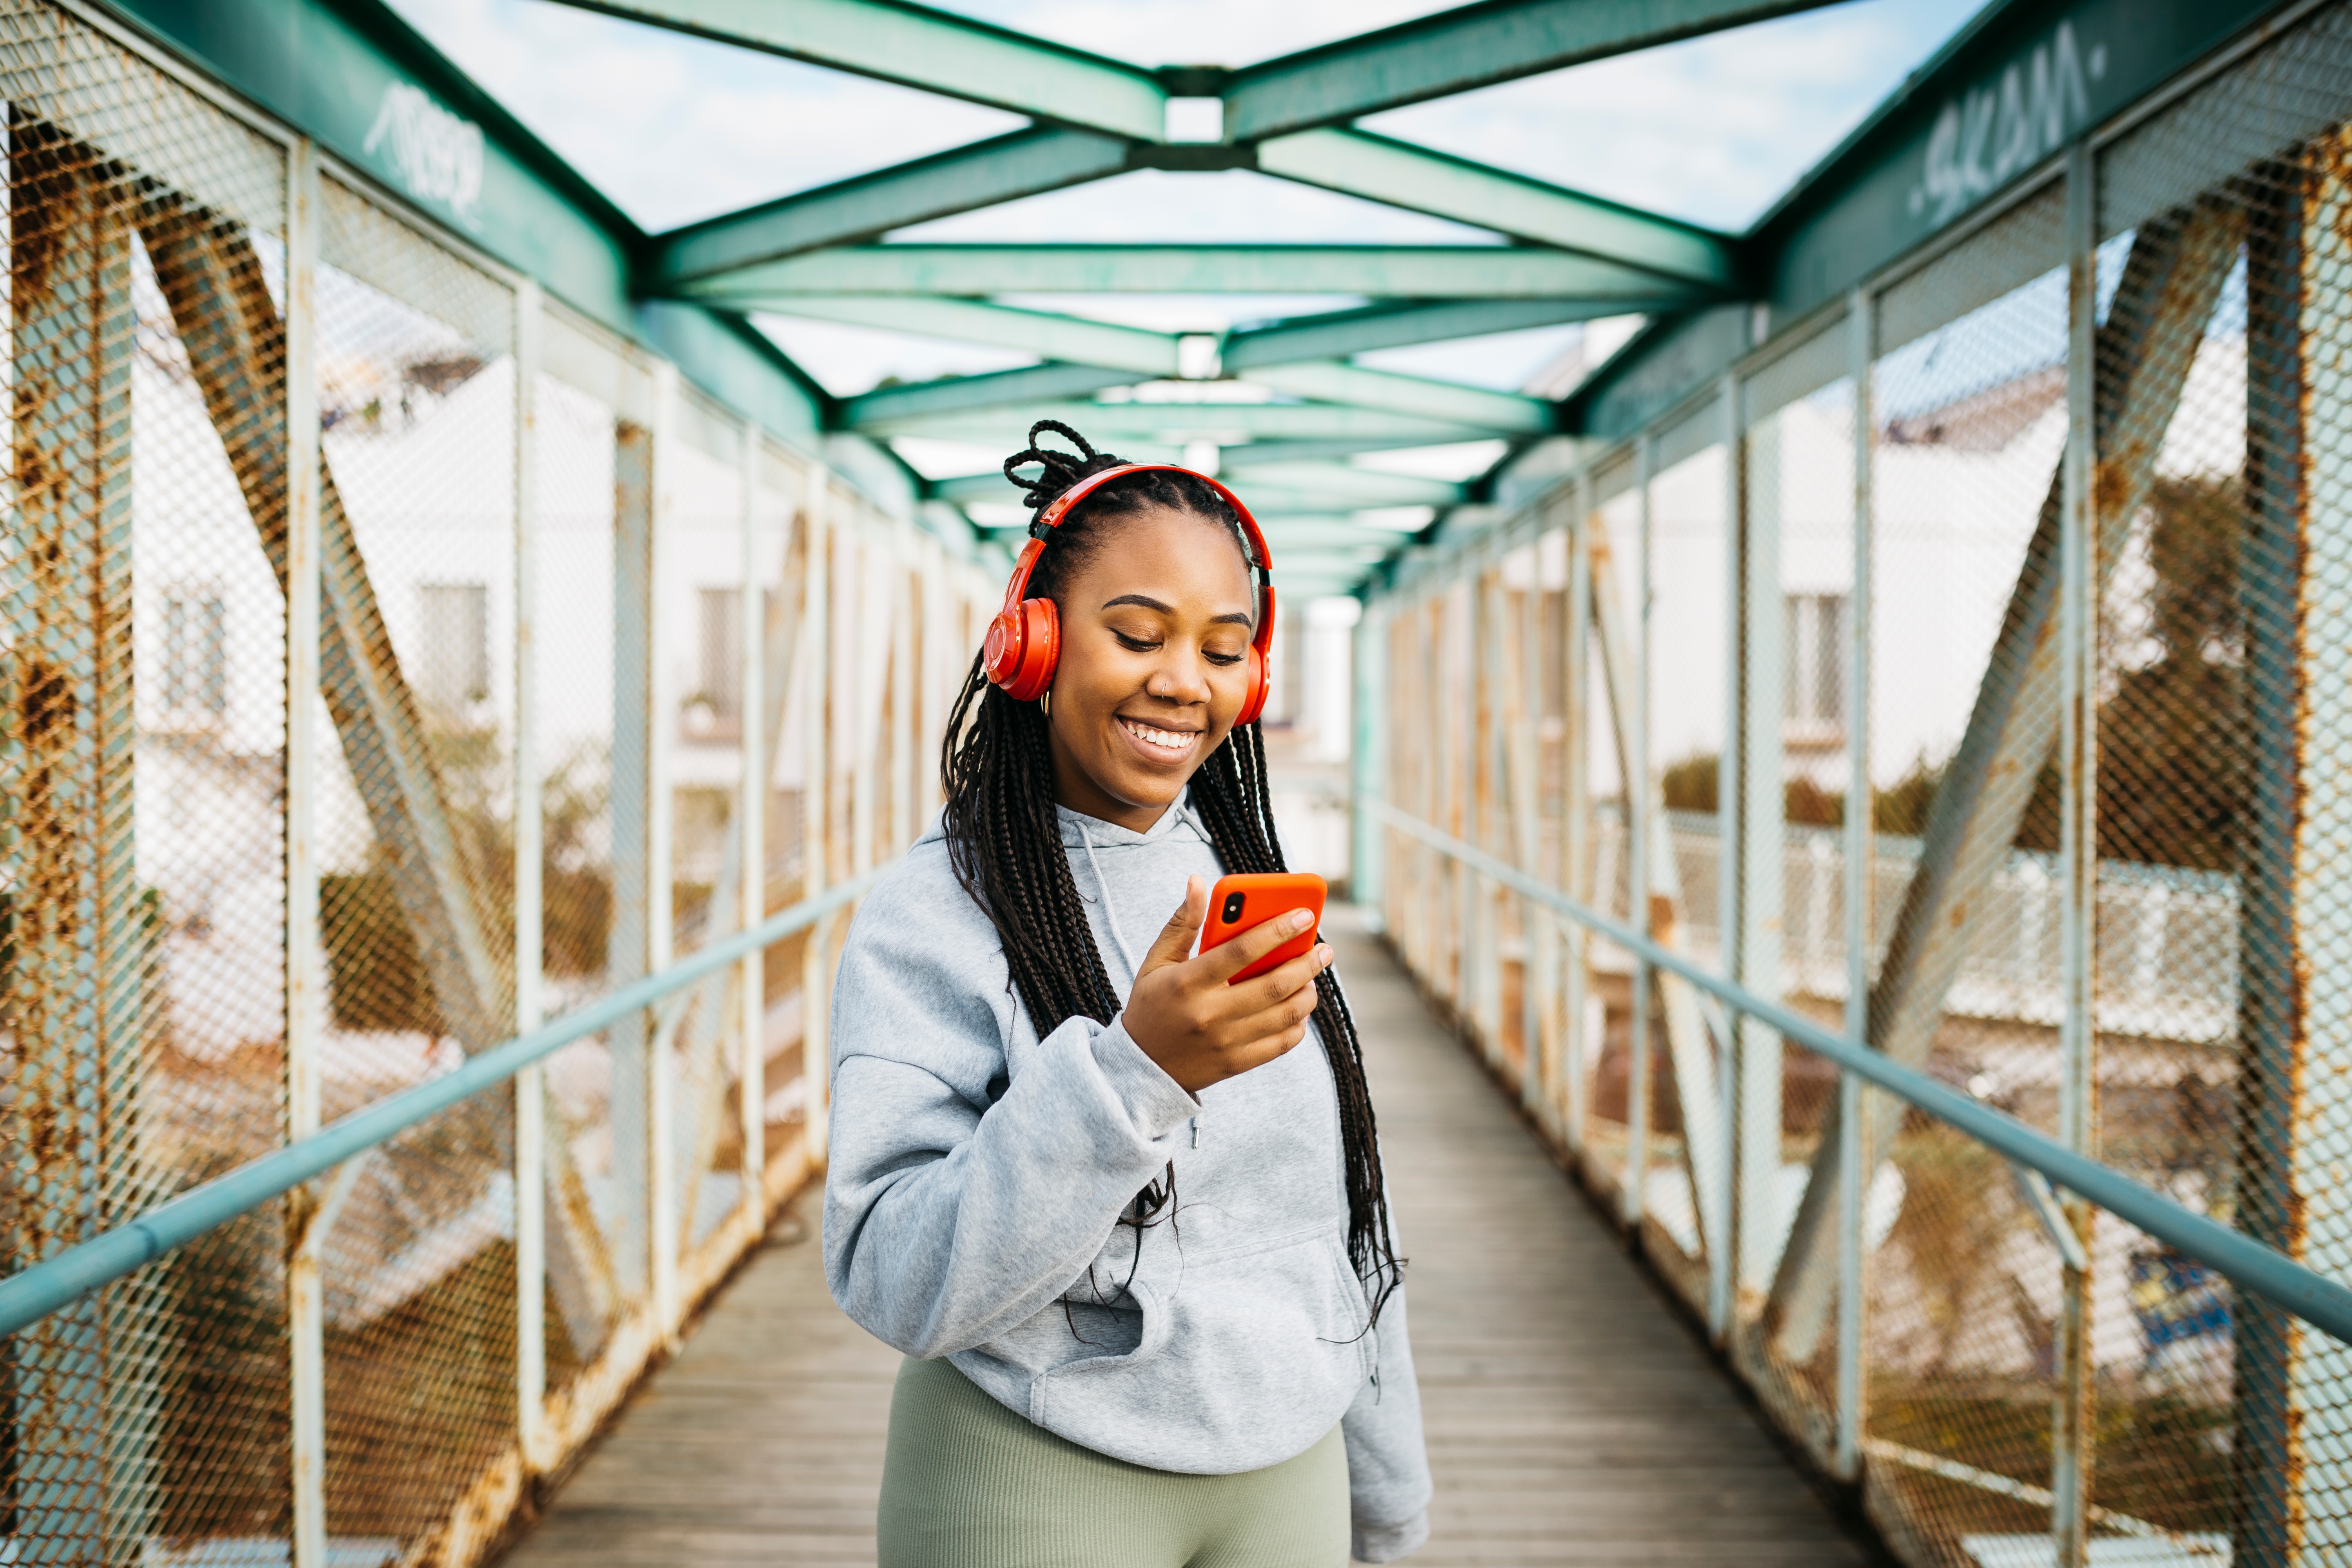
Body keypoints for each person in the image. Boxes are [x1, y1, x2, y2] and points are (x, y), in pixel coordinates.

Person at [823, 421, 1432, 1566]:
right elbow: (890, 1271)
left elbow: (1337, 1221)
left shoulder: (1247, 878)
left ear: (1254, 679)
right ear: (1033, 645)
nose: (1179, 681)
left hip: (1286, 1469)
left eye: (1221, 648)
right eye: (1139, 635)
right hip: (1029, 1470)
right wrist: (1133, 1077)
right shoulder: (935, 910)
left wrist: (1389, 1490)